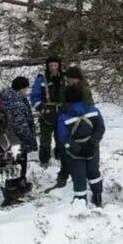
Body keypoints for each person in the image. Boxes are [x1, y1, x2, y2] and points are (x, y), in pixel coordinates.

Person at [57, 86, 105, 206]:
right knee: (94, 172)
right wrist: (93, 143)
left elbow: (63, 137)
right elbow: (100, 128)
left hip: (75, 152)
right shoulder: (93, 109)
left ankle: (80, 203)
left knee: (79, 176)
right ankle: (98, 197)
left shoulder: (63, 115)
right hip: (92, 147)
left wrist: (78, 150)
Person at [31, 55, 69, 187]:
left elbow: (70, 93)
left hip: (62, 113)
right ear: (48, 66)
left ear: (59, 66)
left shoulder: (64, 78)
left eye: (55, 65)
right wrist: (41, 108)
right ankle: (44, 161)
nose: (53, 67)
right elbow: (34, 96)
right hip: (47, 113)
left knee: (61, 138)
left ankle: (60, 158)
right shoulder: (41, 79)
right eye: (51, 65)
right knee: (45, 139)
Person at [0, 76, 37, 205]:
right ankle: (12, 193)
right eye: (26, 88)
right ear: (21, 89)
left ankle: (19, 186)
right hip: (17, 140)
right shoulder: (16, 103)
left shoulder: (8, 99)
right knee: (18, 164)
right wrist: (29, 139)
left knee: (12, 163)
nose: (27, 91)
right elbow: (21, 126)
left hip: (8, 140)